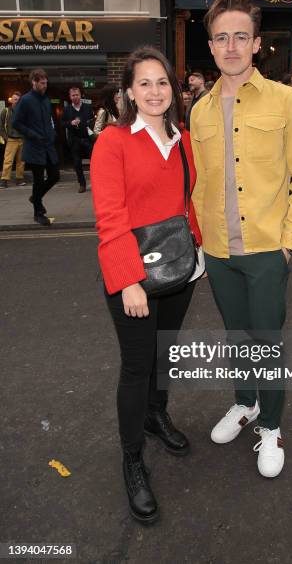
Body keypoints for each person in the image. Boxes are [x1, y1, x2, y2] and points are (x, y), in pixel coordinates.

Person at [190, 0, 292, 478]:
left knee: (266, 342)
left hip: (267, 250)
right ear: (212, 45)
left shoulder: (286, 101)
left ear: (256, 43)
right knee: (236, 337)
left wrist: (289, 244)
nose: (231, 46)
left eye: (240, 36)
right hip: (219, 253)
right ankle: (245, 404)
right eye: (221, 37)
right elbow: (199, 185)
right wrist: (201, 244)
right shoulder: (199, 111)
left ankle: (273, 426)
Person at [90, 46, 204, 524]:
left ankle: (157, 416)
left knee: (165, 352)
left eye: (162, 82)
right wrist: (128, 280)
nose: (155, 92)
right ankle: (132, 457)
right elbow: (110, 217)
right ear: (129, 92)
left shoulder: (185, 138)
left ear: (173, 90)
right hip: (133, 275)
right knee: (138, 366)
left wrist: (200, 249)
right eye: (144, 83)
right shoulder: (112, 142)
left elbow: (189, 199)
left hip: (181, 266)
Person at [13, 68, 59, 226]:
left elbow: (49, 120)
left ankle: (35, 197)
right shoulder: (25, 100)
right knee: (38, 180)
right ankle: (38, 213)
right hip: (34, 147)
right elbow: (16, 123)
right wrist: (32, 135)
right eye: (42, 83)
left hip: (47, 145)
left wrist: (52, 133)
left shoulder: (46, 99)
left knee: (55, 176)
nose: (45, 85)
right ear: (34, 82)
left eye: (46, 83)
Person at [61, 87, 94, 193]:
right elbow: (62, 123)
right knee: (77, 163)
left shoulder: (88, 107)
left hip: (86, 138)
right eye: (73, 95)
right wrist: (70, 123)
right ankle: (82, 184)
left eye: (77, 95)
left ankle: (96, 181)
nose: (75, 97)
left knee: (94, 161)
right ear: (70, 97)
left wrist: (88, 124)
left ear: (80, 95)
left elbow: (93, 120)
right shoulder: (67, 109)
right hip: (74, 140)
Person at [0, 91, 26, 188]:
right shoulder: (6, 111)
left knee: (21, 161)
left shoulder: (24, 112)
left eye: (18, 100)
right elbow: (1, 126)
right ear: (11, 100)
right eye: (15, 99)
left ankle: (19, 179)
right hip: (11, 139)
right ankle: (4, 180)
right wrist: (6, 137)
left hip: (22, 139)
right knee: (8, 160)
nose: (17, 101)